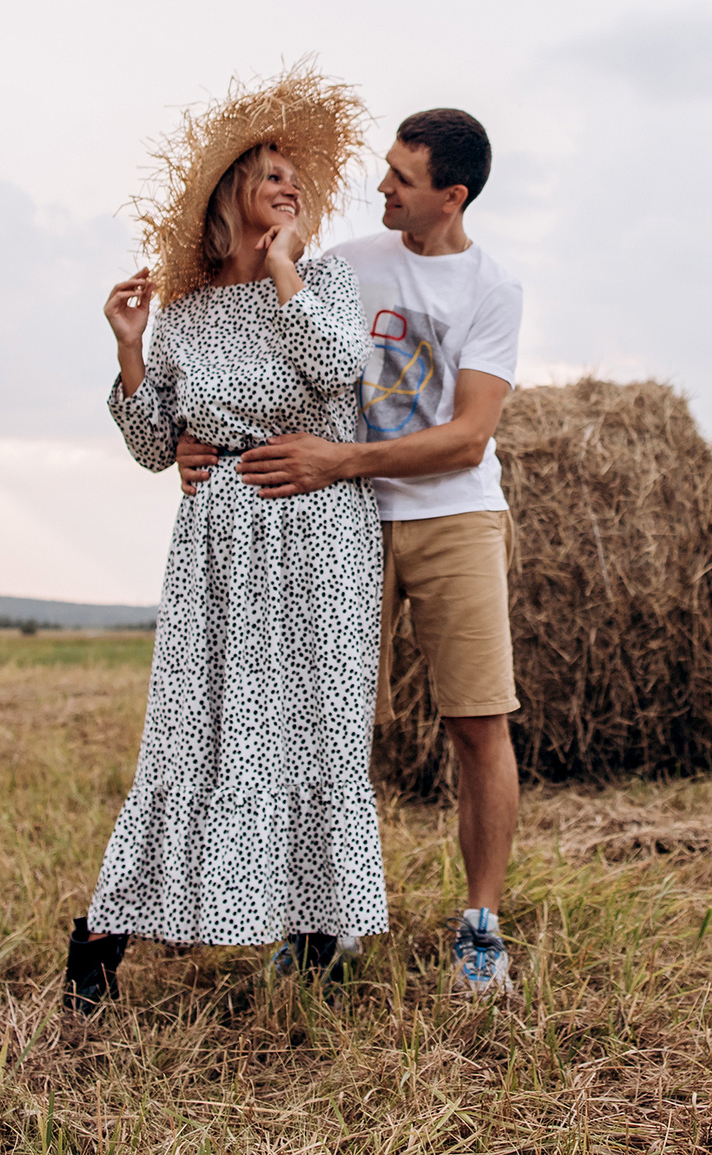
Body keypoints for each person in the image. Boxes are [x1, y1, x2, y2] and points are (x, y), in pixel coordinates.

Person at [177, 107, 524, 997]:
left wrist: (341, 458)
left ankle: (480, 924)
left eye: (401, 180)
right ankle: (322, 925)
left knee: (477, 723)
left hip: (451, 517)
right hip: (337, 524)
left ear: (450, 197)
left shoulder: (492, 288)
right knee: (314, 720)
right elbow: (265, 337)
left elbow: (469, 437)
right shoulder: (339, 263)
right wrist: (194, 437)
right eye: (385, 169)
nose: (380, 188)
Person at [66, 66, 385, 1012]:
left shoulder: (324, 280)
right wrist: (129, 346)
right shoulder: (187, 312)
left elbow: (336, 375)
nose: (289, 185)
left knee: (316, 734)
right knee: (192, 735)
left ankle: (319, 939)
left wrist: (287, 266)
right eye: (269, 173)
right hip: (216, 551)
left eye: (296, 176)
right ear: (229, 193)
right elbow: (150, 444)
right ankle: (101, 937)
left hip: (320, 545)